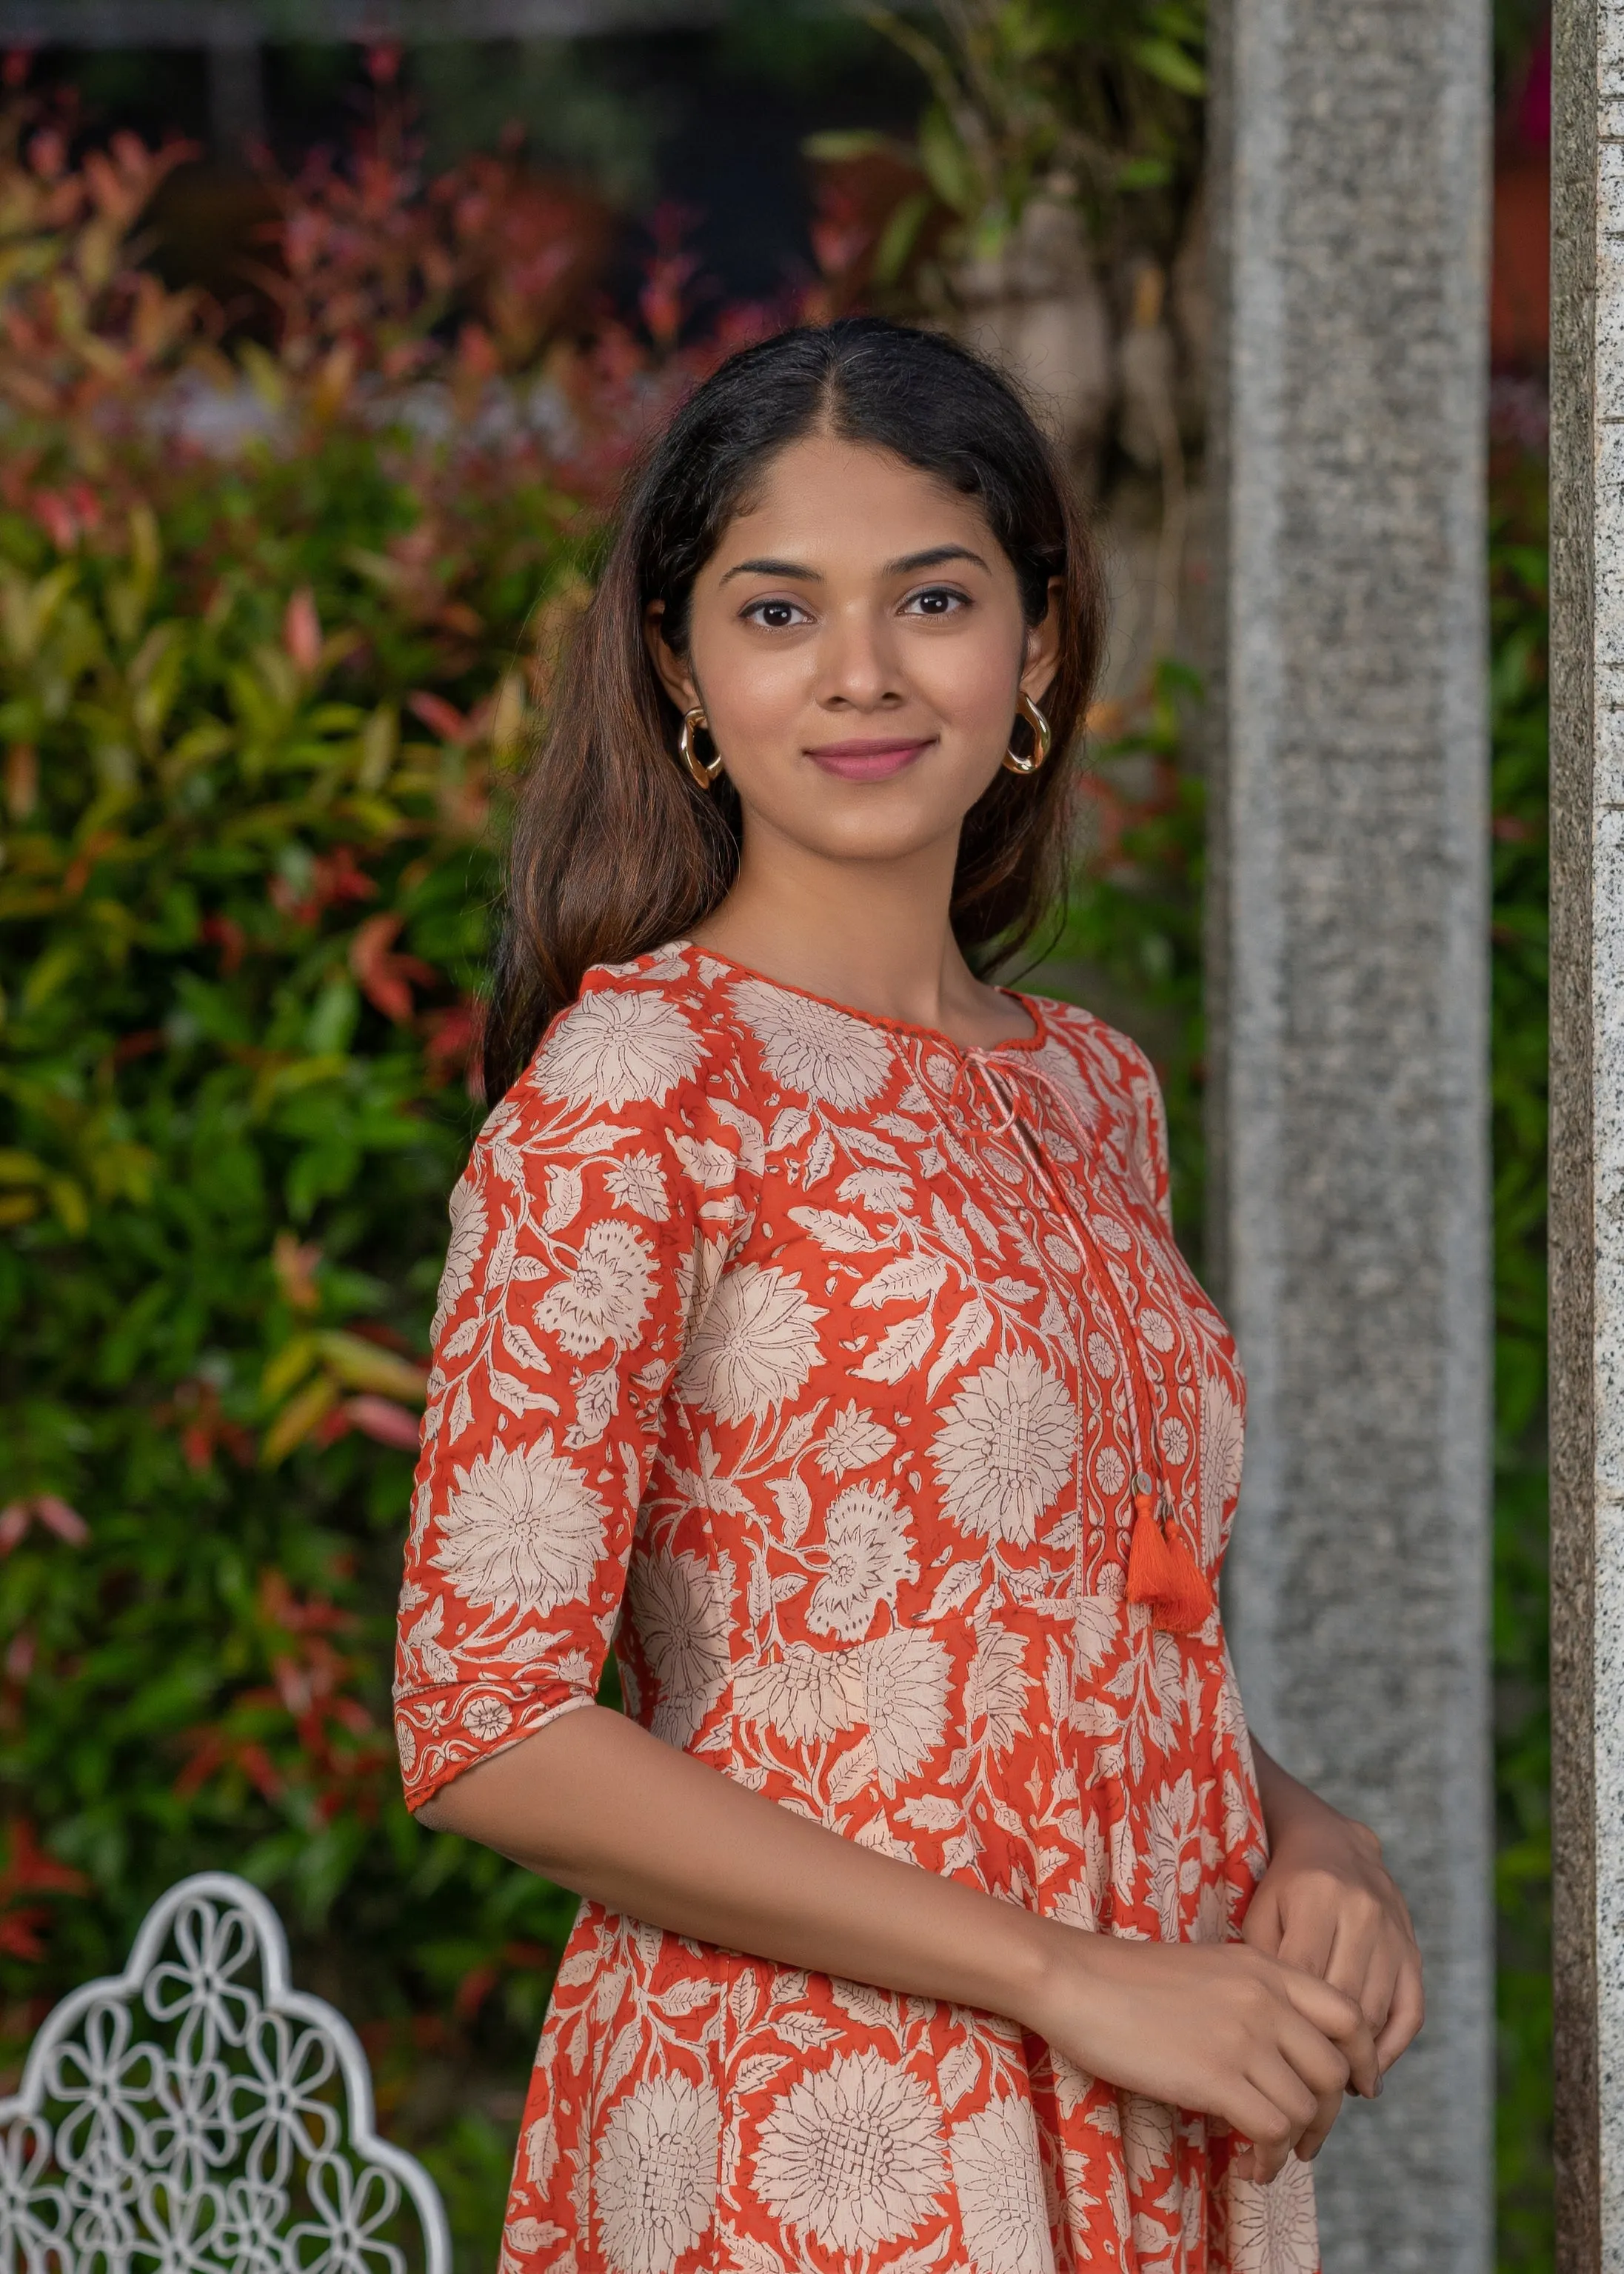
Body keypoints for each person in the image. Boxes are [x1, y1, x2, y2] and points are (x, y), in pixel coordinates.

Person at [394, 317, 1423, 2274]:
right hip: (814, 2118)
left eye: (932, 597)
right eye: (778, 610)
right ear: (684, 674)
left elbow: (1078, 1626)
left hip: (1152, 2083)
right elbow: (485, 1718)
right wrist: (1063, 1972)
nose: (860, 671)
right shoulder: (641, 1081)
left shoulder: (1091, 1089)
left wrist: (1304, 1831)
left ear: (1032, 649)